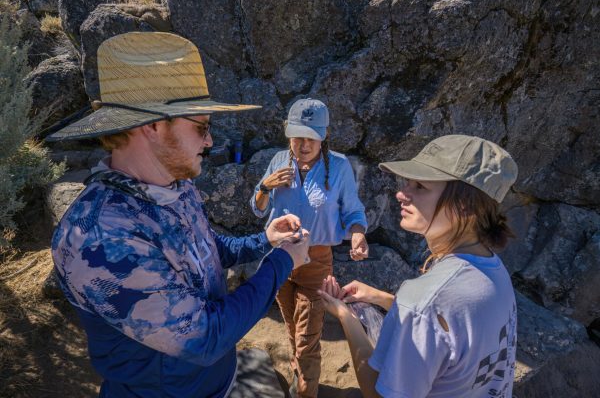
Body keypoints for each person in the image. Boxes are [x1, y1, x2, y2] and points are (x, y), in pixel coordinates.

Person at [47, 32, 310, 398]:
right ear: (152, 125)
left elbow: (204, 250)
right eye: (201, 127)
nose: (210, 142)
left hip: (214, 383)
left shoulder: (175, 184)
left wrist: (264, 241)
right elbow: (203, 339)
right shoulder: (101, 237)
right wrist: (282, 261)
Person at [318, 135, 519, 398]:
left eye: (420, 187)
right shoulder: (492, 271)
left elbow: (378, 393)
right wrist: (383, 299)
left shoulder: (425, 300)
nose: (401, 194)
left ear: (466, 206)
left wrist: (348, 318)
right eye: (407, 183)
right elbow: (452, 329)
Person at [250, 98, 369, 397]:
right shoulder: (279, 161)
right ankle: (298, 372)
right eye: (296, 136)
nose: (302, 144)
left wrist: (357, 234)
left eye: (310, 137)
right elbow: (257, 208)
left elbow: (353, 212)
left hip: (316, 262)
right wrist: (265, 187)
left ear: (324, 135)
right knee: (292, 326)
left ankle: (305, 390)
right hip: (279, 257)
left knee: (307, 336)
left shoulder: (339, 167)